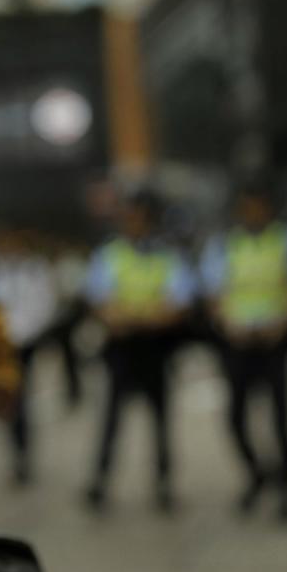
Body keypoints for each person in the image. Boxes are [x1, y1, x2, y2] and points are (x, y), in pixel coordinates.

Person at [200, 180, 287, 522]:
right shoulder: (226, 243)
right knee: (235, 418)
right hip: (238, 342)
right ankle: (257, 474)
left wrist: (285, 320)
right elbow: (213, 292)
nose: (253, 211)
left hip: (276, 341)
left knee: (281, 419)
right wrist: (228, 323)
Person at [83, 190, 197, 511]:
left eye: (136, 216)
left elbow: (178, 305)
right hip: (121, 351)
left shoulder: (169, 256)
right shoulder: (110, 254)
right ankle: (100, 481)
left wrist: (132, 316)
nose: (130, 222)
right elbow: (99, 303)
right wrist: (144, 315)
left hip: (155, 351)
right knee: (111, 421)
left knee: (160, 422)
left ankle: (163, 483)